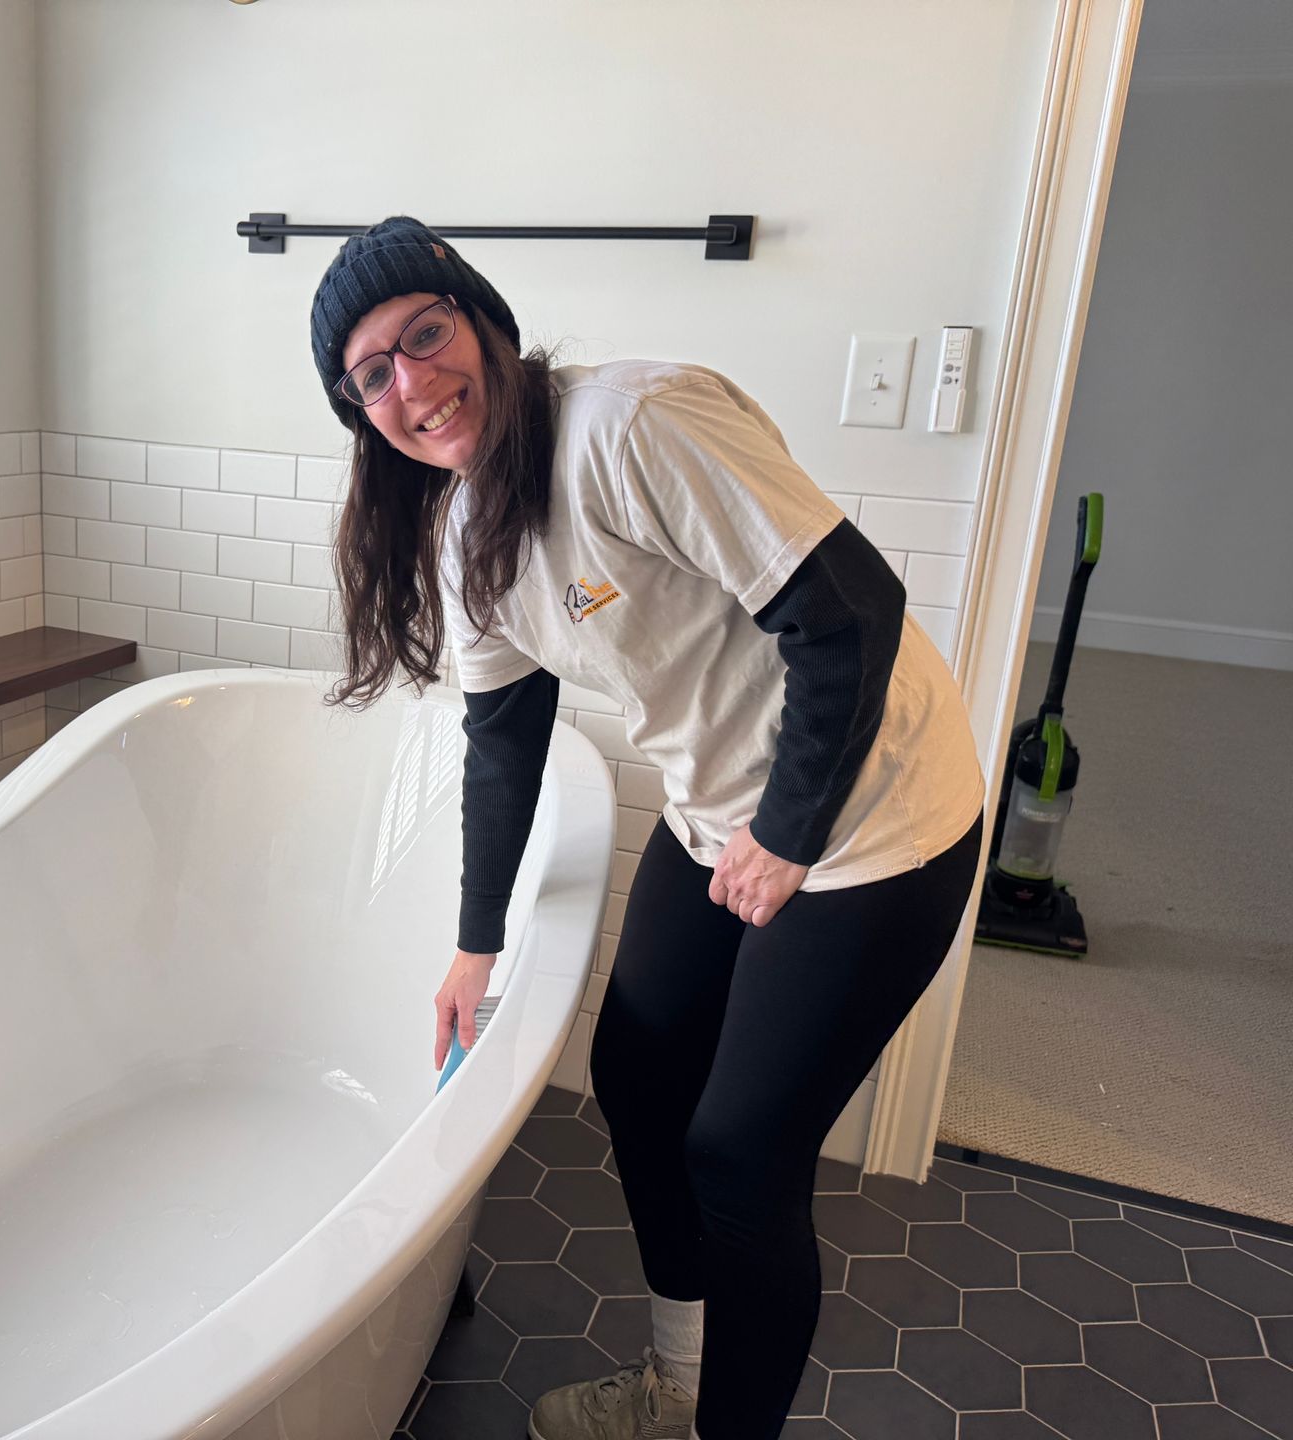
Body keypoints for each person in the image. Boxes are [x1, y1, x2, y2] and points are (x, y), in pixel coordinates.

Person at [307, 217, 987, 1440]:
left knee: (739, 1156)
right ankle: (682, 1387)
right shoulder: (470, 532)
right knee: (636, 1075)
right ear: (362, 416)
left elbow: (852, 613)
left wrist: (786, 836)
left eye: (425, 334)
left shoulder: (631, 425)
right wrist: (476, 948)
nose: (412, 383)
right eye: (373, 375)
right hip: (723, 807)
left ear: (483, 323)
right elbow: (504, 743)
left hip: (879, 811)